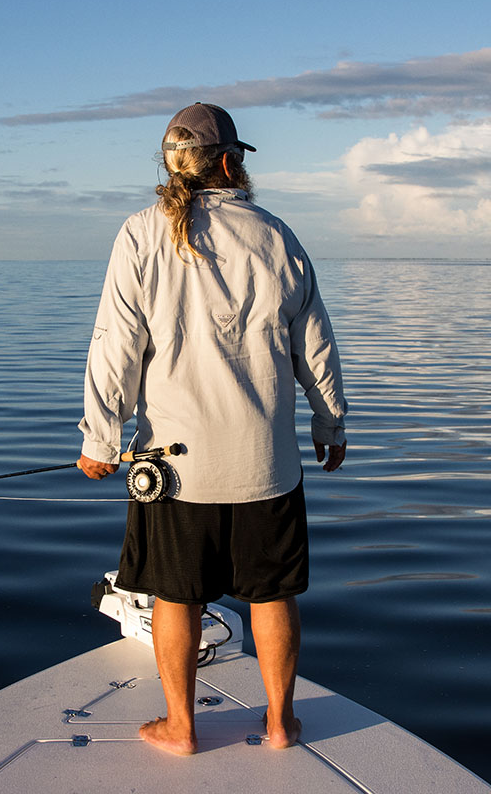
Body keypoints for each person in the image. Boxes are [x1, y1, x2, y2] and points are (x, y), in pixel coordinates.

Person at [77, 102, 347, 756]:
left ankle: (182, 727)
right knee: (273, 595)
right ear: (227, 162)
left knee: (176, 597)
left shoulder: (141, 234)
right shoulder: (276, 235)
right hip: (268, 467)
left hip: (175, 468)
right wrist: (330, 419)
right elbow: (315, 341)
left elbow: (116, 343)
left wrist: (99, 435)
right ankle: (281, 725)